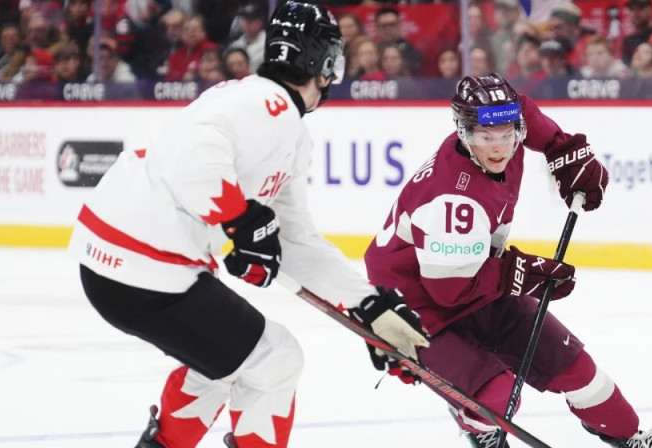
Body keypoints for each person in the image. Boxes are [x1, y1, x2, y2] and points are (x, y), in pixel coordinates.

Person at [67, 2, 429, 448]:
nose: (333, 77)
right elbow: (191, 153)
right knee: (275, 360)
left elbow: (295, 241)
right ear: (320, 62)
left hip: (120, 263)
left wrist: (369, 306)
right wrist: (240, 220)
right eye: (332, 62)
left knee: (224, 362)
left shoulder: (279, 121)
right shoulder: (261, 104)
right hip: (143, 264)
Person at [363, 72, 652, 448]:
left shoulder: (506, 129)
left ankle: (627, 435)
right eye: (486, 137)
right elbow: (449, 291)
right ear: (464, 132)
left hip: (476, 278)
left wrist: (562, 148)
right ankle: (475, 421)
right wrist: (521, 273)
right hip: (418, 305)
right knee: (497, 399)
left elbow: (527, 115)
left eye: (507, 133)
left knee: (580, 371)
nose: (499, 147)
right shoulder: (454, 200)